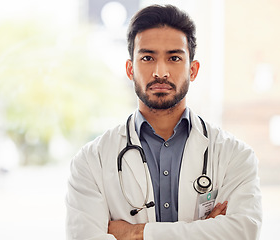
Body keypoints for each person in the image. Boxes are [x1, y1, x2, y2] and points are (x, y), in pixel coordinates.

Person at [65, 4, 262, 240]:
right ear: (130, 69)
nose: (160, 72)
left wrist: (137, 233)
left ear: (193, 70)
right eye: (147, 57)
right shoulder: (91, 161)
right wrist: (204, 230)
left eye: (174, 58)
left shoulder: (235, 156)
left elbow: (243, 233)